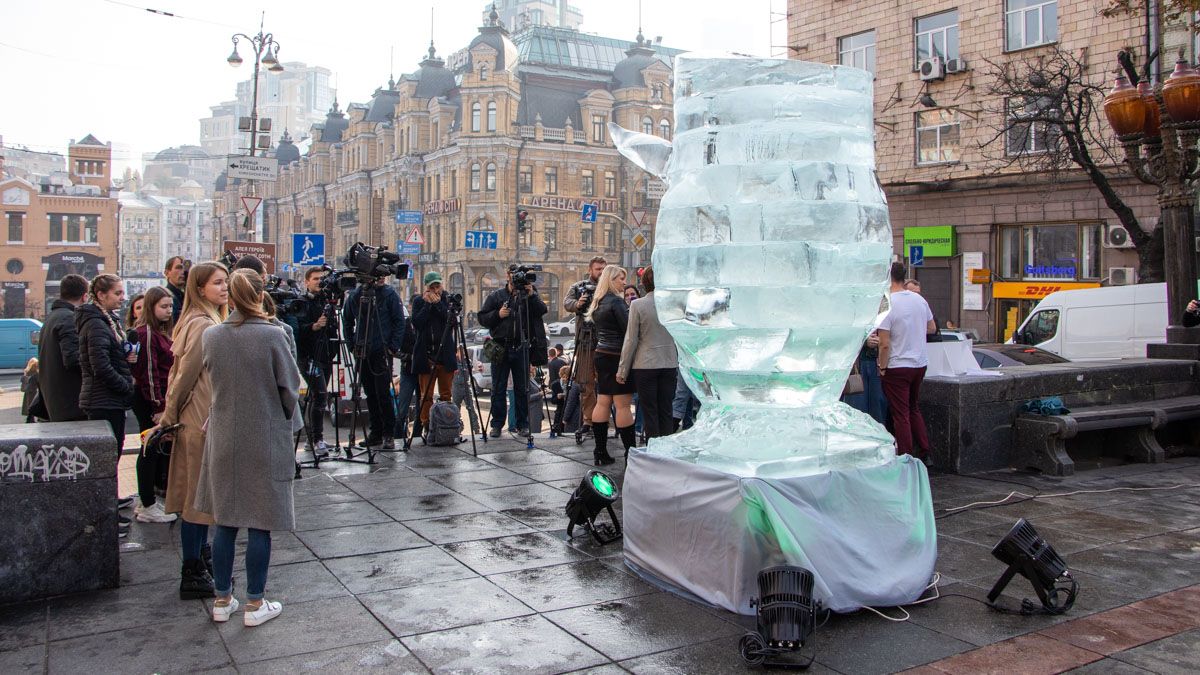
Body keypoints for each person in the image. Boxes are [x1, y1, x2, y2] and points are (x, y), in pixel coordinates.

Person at [196, 269, 300, 628]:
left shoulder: (212, 336)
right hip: (264, 436)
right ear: (259, 295)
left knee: (224, 520)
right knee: (260, 522)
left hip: (224, 435)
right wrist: (289, 423)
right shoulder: (273, 336)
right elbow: (290, 388)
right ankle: (255, 603)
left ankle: (221, 599)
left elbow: (213, 381)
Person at [158, 262, 229, 599]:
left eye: (226, 281)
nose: (224, 287)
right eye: (217, 283)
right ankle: (192, 569)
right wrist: (168, 419)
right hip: (198, 419)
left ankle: (200, 557)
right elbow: (183, 377)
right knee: (197, 499)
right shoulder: (203, 325)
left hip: (199, 416)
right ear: (200, 289)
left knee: (200, 496)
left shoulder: (204, 320)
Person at [478, 264, 549, 438]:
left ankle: (522, 424)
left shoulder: (529, 294)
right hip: (500, 346)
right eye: (515, 274)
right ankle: (497, 424)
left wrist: (531, 295)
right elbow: (482, 318)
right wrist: (498, 314)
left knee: (522, 388)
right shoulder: (496, 296)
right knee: (498, 388)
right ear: (507, 275)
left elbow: (542, 310)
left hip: (522, 347)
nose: (518, 278)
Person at [130, 287, 178, 524]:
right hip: (150, 399)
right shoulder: (146, 333)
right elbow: (148, 373)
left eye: (170, 306)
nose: (169, 311)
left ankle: (148, 499)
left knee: (153, 449)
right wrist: (158, 405)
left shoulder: (157, 332)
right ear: (151, 307)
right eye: (164, 306)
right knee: (149, 449)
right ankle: (146, 503)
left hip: (156, 397)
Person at [878, 262, 936, 459]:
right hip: (919, 364)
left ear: (888, 278)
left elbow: (884, 344)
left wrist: (882, 367)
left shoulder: (887, 303)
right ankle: (926, 452)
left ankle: (906, 455)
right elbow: (932, 328)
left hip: (897, 365)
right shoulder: (919, 300)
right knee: (913, 408)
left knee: (900, 414)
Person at [76, 274, 135, 458]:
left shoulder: (107, 320)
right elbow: (100, 366)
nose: (122, 297)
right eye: (117, 293)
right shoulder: (96, 324)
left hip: (108, 400)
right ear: (101, 295)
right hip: (103, 402)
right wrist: (126, 387)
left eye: (123, 292)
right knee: (107, 459)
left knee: (110, 457)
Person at [617, 266, 679, 440]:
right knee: (666, 408)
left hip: (645, 365)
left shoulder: (638, 305)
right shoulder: (673, 304)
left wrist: (622, 370)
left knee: (649, 410)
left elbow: (631, 340)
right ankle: (666, 448)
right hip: (669, 363)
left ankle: (654, 449)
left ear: (644, 284)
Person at [343, 276, 405, 449]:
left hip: (381, 351)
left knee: (383, 394)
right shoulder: (356, 295)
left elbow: (400, 321)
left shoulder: (389, 294)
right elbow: (346, 320)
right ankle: (376, 432)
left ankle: (388, 434)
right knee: (370, 394)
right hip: (362, 351)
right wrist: (351, 344)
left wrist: (392, 346)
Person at [586, 265, 637, 464]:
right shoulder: (616, 302)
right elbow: (628, 330)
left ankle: (600, 452)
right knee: (622, 405)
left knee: (602, 401)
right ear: (611, 280)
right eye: (620, 279)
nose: (624, 283)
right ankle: (630, 453)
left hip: (601, 354)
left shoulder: (598, 301)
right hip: (617, 355)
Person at [563, 256, 606, 441]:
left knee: (606, 384)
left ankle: (603, 419)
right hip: (585, 342)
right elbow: (567, 303)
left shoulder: (608, 288)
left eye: (604, 269)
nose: (601, 273)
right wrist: (578, 304)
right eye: (598, 269)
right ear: (590, 269)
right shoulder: (578, 287)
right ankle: (589, 420)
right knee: (586, 383)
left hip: (605, 340)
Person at [295, 267, 336, 457]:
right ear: (307, 282)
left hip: (325, 356)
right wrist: (314, 326)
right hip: (309, 356)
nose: (319, 282)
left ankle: (316, 438)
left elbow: (333, 328)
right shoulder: (301, 303)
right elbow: (296, 330)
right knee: (319, 395)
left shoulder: (326, 302)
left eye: (321, 279)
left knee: (318, 396)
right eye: (315, 279)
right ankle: (315, 439)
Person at [411, 271, 458, 436]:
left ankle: (446, 425)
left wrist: (438, 304)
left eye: (438, 285)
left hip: (444, 356)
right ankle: (427, 426)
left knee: (446, 393)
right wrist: (428, 305)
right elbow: (417, 323)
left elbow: (451, 321)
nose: (436, 289)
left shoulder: (447, 300)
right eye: (433, 286)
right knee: (426, 396)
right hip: (426, 357)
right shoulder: (418, 301)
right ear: (427, 287)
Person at [39, 274, 88, 423]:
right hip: (71, 402)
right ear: (85, 297)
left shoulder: (52, 318)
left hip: (56, 401)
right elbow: (74, 359)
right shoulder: (69, 318)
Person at [844, 329, 888, 426]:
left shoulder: (885, 314)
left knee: (878, 406)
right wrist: (863, 341)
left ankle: (879, 438)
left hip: (879, 365)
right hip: (857, 366)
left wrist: (882, 340)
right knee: (857, 408)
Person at [451, 346, 481, 437]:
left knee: (471, 408)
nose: (462, 353)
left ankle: (476, 428)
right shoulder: (453, 361)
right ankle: (458, 429)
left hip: (466, 387)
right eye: (460, 352)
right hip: (456, 387)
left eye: (463, 351)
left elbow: (472, 369)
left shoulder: (468, 361)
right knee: (456, 410)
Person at [165, 256, 187, 322]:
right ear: (167, 273)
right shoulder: (164, 295)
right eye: (179, 268)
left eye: (185, 268)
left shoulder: (186, 295)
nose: (183, 272)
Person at [551, 364, 571, 433]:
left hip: (571, 412)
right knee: (558, 431)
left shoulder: (572, 383)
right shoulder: (555, 384)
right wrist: (558, 397)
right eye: (564, 376)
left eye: (567, 377)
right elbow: (553, 401)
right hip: (560, 412)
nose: (565, 379)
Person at [20, 358, 39, 423]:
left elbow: (23, 380)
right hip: (33, 391)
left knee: (29, 405)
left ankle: (30, 418)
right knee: (34, 405)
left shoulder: (27, 372)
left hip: (27, 392)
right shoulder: (36, 373)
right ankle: (30, 419)